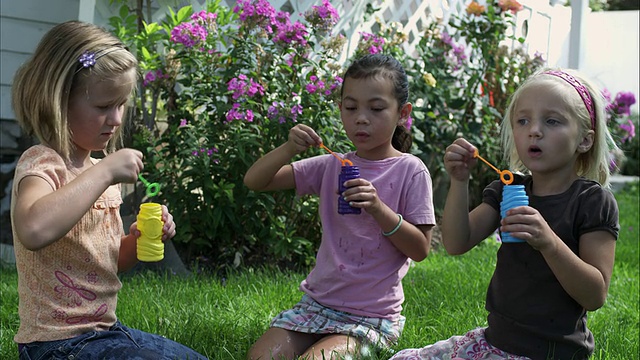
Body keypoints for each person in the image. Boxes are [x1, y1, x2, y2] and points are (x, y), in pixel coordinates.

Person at [390, 68, 620, 360]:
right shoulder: (508, 188)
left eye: (552, 121)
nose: (534, 130)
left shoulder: (591, 201)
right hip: (496, 341)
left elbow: (594, 295)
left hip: (552, 353)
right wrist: (459, 181)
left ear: (585, 140)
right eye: (523, 121)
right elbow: (456, 242)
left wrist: (548, 242)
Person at [10, 21, 207, 360]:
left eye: (121, 104)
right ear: (57, 101)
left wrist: (143, 239)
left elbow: (108, 263)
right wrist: (104, 172)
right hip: (54, 344)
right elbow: (33, 228)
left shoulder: (96, 171)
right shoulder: (42, 164)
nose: (116, 119)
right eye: (103, 107)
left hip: (104, 331)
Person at [244, 53, 436, 359]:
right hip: (317, 305)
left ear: (402, 113)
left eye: (376, 108)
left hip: (371, 316)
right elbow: (256, 181)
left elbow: (420, 249)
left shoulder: (411, 171)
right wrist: (288, 148)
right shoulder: (331, 165)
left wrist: (377, 208)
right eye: (351, 107)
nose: (361, 118)